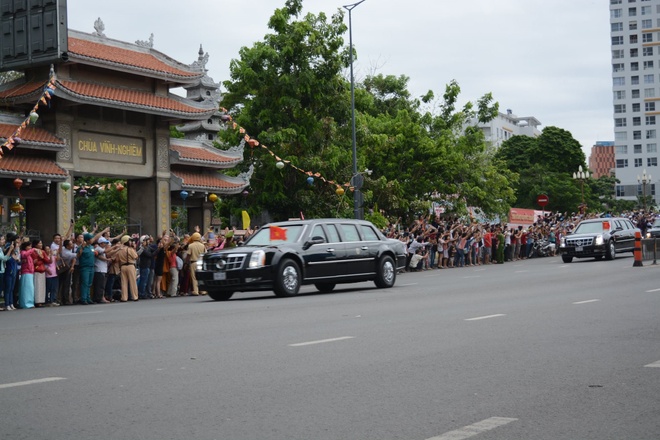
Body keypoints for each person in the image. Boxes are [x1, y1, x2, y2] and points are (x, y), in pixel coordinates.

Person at [117, 235, 139, 302]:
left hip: (123, 266)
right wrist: (134, 248)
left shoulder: (120, 250)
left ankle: (124, 297)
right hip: (130, 265)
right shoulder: (130, 249)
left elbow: (118, 259)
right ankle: (135, 296)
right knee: (133, 282)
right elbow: (136, 256)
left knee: (124, 283)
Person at [76, 233, 97, 305]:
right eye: (91, 239)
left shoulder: (91, 247)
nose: (92, 240)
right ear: (87, 240)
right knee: (84, 283)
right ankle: (83, 298)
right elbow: (78, 255)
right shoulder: (81, 247)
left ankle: (88, 298)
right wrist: (82, 247)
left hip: (91, 267)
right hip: (85, 267)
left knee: (89, 283)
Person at [186, 232, 206, 296]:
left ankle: (196, 291)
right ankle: (203, 290)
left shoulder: (191, 245)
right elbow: (205, 253)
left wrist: (186, 262)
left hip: (193, 262)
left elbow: (188, 255)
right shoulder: (202, 245)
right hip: (201, 262)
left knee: (194, 277)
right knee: (201, 277)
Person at [18, 241, 36, 309]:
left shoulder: (29, 254)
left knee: (30, 288)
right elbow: (24, 255)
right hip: (26, 272)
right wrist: (32, 250)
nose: (30, 248)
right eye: (29, 246)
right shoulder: (23, 252)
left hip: (30, 272)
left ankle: (30, 302)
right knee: (26, 288)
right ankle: (25, 303)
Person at [0, 236, 16, 311]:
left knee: (10, 289)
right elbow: (4, 258)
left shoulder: (1, 249)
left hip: (6, 271)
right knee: (6, 289)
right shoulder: (5, 251)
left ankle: (11, 303)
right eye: (2, 239)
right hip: (4, 271)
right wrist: (10, 249)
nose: (3, 241)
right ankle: (7, 304)